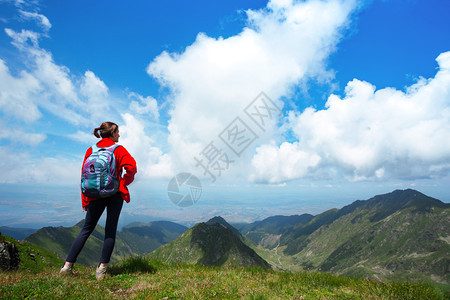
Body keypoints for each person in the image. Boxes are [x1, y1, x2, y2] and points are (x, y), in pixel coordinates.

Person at [59, 122, 137, 280]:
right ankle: (101, 271)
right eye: (118, 132)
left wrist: (85, 199)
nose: (119, 135)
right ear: (113, 133)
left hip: (94, 195)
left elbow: (84, 175)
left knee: (86, 230)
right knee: (110, 229)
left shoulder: (91, 150)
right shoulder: (118, 150)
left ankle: (67, 267)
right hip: (114, 193)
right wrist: (123, 182)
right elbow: (132, 167)